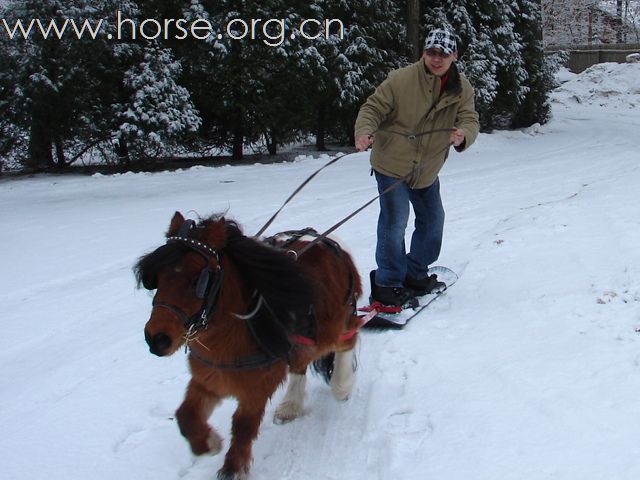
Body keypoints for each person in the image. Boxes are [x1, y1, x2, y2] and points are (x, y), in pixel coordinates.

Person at [354, 27, 480, 307]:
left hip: (426, 168)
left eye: (443, 54)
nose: (436, 59)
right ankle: (387, 283)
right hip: (392, 165)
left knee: (433, 222)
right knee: (394, 221)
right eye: (431, 52)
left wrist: (463, 134)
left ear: (454, 55)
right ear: (423, 53)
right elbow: (372, 108)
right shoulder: (401, 80)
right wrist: (364, 131)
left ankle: (415, 273)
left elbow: (470, 119)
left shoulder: (462, 89)